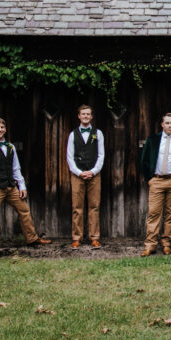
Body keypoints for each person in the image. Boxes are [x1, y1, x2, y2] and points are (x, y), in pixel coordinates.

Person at [0, 117, 52, 260]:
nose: (0, 130)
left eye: (2, 127)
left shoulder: (10, 146)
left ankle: (32, 238)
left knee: (24, 210)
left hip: (10, 186)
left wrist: (21, 186)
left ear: (5, 129)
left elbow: (16, 168)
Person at [139, 112, 171, 256]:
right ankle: (150, 245)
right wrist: (149, 179)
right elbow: (144, 160)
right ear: (162, 124)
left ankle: (167, 243)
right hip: (157, 180)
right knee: (154, 213)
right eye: (167, 123)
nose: (169, 125)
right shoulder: (153, 139)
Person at [66, 104, 104, 249]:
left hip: (94, 175)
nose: (86, 116)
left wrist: (93, 171)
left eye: (88, 114)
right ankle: (77, 238)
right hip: (77, 175)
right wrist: (79, 172)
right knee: (77, 207)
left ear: (91, 116)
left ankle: (94, 237)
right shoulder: (72, 134)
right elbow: (69, 157)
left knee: (94, 206)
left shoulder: (98, 133)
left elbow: (101, 155)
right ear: (79, 116)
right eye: (83, 114)